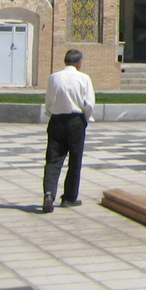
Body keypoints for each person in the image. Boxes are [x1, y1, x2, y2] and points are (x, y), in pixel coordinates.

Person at [41, 49, 96, 213]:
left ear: (65, 61)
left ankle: (49, 194)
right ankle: (69, 198)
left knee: (53, 159)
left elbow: (49, 102)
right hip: (75, 121)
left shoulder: (54, 77)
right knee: (74, 160)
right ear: (79, 63)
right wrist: (85, 120)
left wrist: (53, 113)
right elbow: (89, 104)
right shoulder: (84, 78)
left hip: (57, 120)